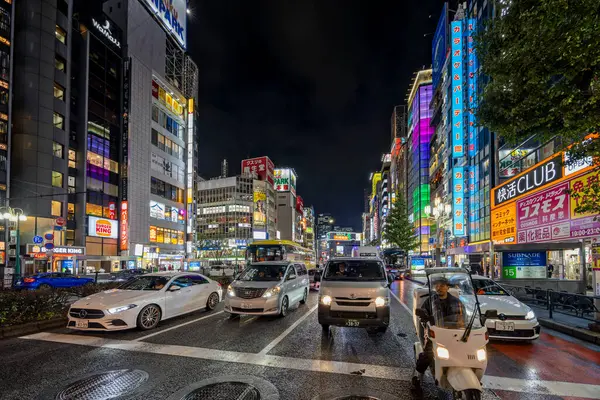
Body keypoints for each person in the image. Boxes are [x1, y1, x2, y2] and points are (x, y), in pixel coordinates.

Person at [413, 277, 465, 388]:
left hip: (454, 334)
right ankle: (417, 375)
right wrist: (425, 317)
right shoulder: (431, 301)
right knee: (428, 354)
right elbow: (423, 313)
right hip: (436, 333)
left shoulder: (457, 302)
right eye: (437, 285)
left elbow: (462, 318)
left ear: (447, 287)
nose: (439, 288)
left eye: (442, 285)